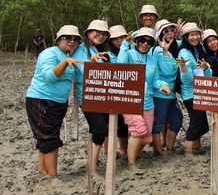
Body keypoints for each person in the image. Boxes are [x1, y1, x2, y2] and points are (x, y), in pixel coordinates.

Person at [25, 25, 83, 176]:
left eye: (75, 39)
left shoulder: (68, 54)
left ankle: (43, 171)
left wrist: (92, 60)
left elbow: (82, 65)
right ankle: (53, 177)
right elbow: (49, 77)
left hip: (58, 102)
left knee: (46, 136)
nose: (72, 41)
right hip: (42, 100)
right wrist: (64, 63)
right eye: (67, 38)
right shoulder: (49, 53)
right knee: (49, 138)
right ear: (58, 40)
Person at [118, 27, 173, 172]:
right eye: (142, 40)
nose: (145, 43)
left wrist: (163, 84)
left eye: (149, 41)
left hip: (147, 101)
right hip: (129, 100)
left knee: (147, 135)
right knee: (139, 129)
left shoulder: (152, 60)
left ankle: (132, 158)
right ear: (136, 41)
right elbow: (119, 67)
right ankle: (131, 165)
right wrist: (125, 43)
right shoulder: (128, 54)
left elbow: (155, 80)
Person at [73, 19, 113, 172]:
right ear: (88, 32)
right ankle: (92, 168)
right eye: (97, 32)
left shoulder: (99, 49)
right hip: (87, 97)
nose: (100, 35)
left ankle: (95, 162)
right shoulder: (79, 49)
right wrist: (91, 62)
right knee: (100, 130)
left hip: (102, 96)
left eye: (104, 34)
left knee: (98, 129)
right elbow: (82, 70)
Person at [177, 22, 212, 156]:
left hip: (200, 91)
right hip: (190, 93)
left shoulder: (199, 49)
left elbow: (206, 74)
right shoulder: (183, 52)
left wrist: (206, 67)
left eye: (197, 34)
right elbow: (187, 79)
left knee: (202, 119)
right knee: (196, 120)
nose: (195, 37)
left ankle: (198, 146)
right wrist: (185, 68)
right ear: (186, 37)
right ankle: (188, 151)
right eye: (192, 35)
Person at [151, 19, 183, 154]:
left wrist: (180, 33)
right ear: (160, 35)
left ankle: (169, 149)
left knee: (176, 120)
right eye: (166, 31)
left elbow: (182, 42)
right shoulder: (158, 51)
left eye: (172, 30)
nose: (170, 33)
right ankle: (158, 152)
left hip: (170, 93)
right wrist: (164, 51)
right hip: (160, 93)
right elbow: (167, 71)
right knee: (158, 124)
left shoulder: (171, 48)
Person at [107, 24, 130, 158]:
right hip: (115, 92)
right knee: (118, 122)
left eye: (123, 37)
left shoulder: (131, 49)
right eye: (116, 38)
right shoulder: (108, 55)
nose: (120, 40)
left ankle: (125, 150)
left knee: (126, 123)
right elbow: (119, 67)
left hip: (130, 91)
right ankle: (120, 150)